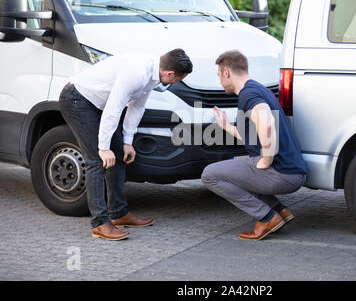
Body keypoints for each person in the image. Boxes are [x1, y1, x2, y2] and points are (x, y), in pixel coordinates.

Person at [59, 49, 193, 241]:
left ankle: (119, 214)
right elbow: (114, 108)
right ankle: (99, 223)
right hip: (77, 99)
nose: (177, 83)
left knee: (119, 155)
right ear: (170, 73)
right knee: (97, 160)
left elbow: (137, 106)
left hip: (99, 106)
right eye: (179, 79)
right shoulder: (137, 73)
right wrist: (103, 147)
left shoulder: (154, 75)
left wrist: (127, 142)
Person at [201, 50, 307, 240]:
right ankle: (279, 211)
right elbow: (253, 135)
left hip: (281, 173)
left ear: (226, 72)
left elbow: (266, 123)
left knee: (210, 175)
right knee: (235, 172)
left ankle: (266, 218)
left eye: (219, 76)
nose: (220, 81)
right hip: (292, 171)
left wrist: (266, 159)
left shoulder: (247, 95)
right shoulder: (258, 89)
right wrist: (226, 127)